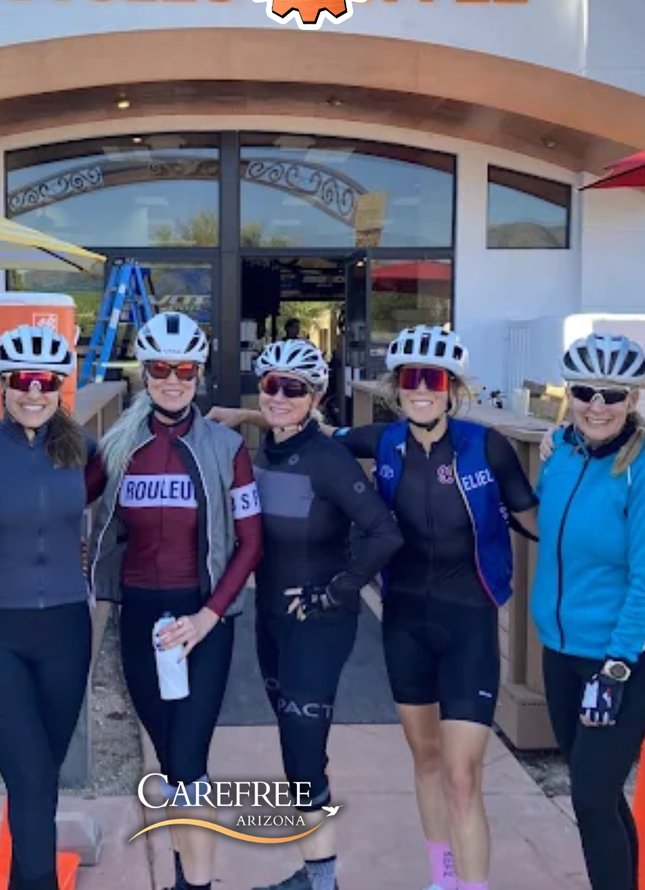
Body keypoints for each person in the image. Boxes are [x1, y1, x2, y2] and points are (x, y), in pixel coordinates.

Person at [209, 325, 538, 890]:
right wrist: (246, 416)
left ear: (453, 389)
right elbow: (312, 424)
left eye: (433, 380)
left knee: (462, 776)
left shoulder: (488, 447)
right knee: (426, 761)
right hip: (405, 619)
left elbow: (538, 522)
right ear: (396, 386)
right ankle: (443, 879)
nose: (421, 389)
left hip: (469, 621)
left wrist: (571, 454)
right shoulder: (384, 441)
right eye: (410, 378)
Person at [86, 312, 263, 890]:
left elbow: (251, 542)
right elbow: (62, 496)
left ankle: (197, 884)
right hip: (139, 613)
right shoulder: (119, 446)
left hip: (203, 616)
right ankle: (189, 877)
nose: (172, 380)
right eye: (160, 368)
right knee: (169, 757)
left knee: (188, 763)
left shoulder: (226, 447)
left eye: (184, 370)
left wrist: (208, 617)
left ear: (198, 374)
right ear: (144, 373)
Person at [248, 339, 404, 890]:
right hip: (269, 618)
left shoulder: (328, 458)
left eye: (295, 388)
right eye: (272, 385)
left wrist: (338, 590)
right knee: (300, 752)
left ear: (315, 397)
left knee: (302, 755)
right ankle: (316, 872)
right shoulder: (263, 452)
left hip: (319, 624)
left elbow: (385, 533)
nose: (281, 396)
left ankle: (322, 881)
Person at [0, 325, 97, 890]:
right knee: (30, 775)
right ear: (3, 384)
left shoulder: (83, 448)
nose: (34, 391)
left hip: (66, 627)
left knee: (41, 777)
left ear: (60, 387)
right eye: (23, 380)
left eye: (47, 381)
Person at [531, 332, 645, 890]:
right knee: (596, 797)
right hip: (558, 650)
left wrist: (616, 666)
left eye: (613, 394)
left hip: (618, 660)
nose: (597, 406)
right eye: (584, 392)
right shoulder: (560, 453)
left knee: (592, 798)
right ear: (568, 395)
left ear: (633, 400)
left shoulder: (639, 468)